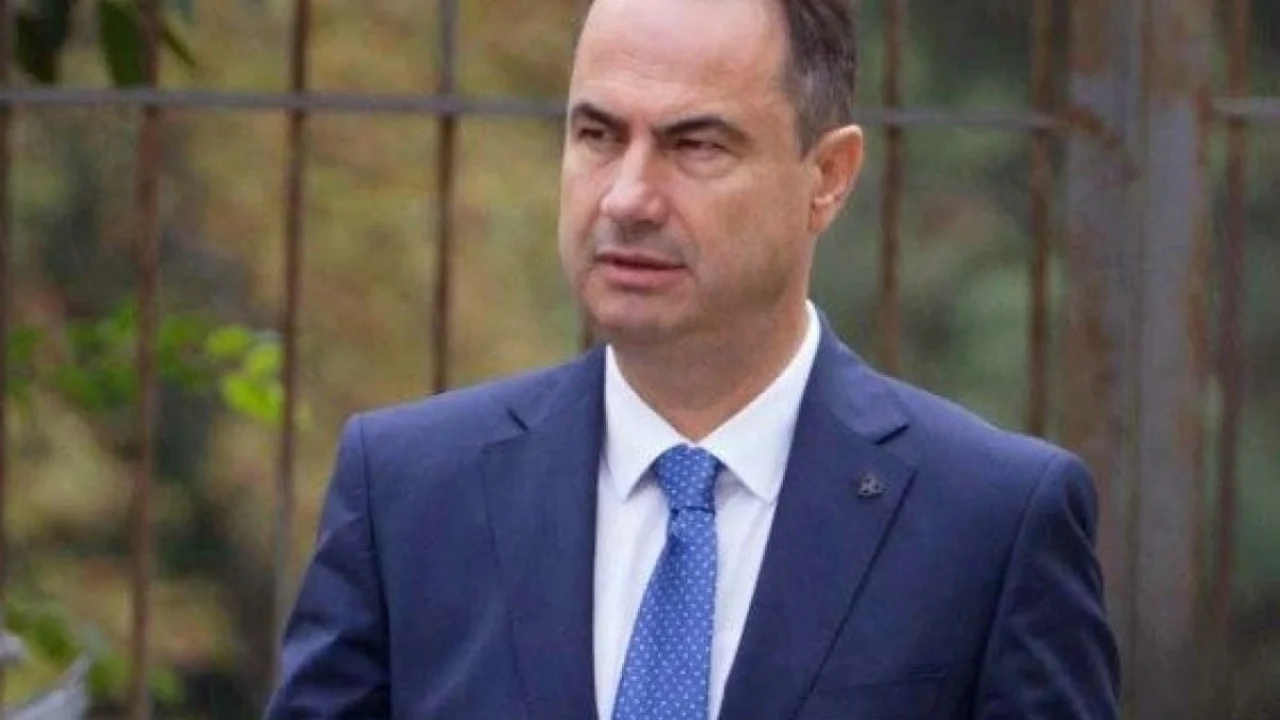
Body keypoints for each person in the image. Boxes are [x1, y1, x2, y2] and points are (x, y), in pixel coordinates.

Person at [264, 0, 1120, 717]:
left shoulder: (990, 524)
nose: (628, 197)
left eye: (695, 146)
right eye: (598, 134)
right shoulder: (408, 495)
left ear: (828, 176)